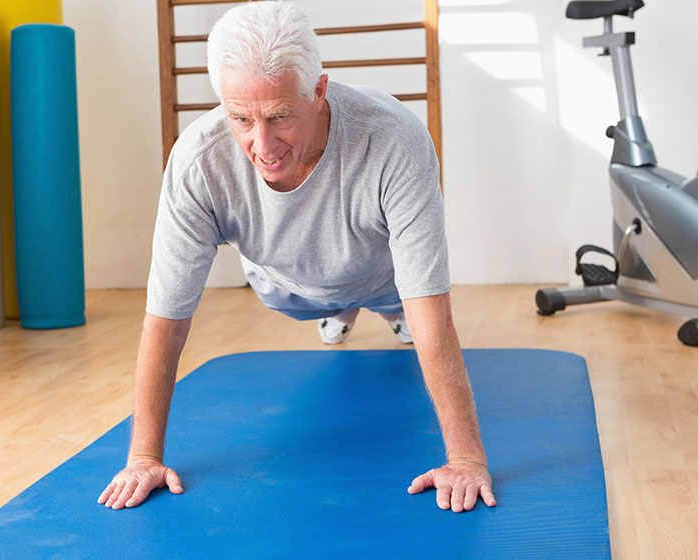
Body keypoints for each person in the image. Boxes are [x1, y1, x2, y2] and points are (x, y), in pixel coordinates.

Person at [98, 0, 496, 514]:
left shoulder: (394, 138)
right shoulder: (198, 160)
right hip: (283, 286)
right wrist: (144, 455)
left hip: (383, 277)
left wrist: (465, 457)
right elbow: (166, 319)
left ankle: (377, 310)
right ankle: (338, 308)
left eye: (281, 116)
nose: (262, 144)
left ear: (318, 92)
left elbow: (435, 317)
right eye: (241, 118)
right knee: (309, 297)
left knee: (410, 314)